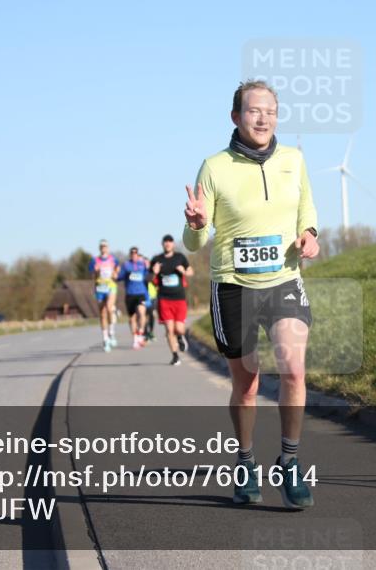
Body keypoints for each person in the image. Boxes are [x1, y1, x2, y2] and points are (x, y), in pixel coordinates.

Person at [183, 80, 320, 509]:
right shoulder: (214, 167)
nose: (263, 119)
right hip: (233, 286)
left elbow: (306, 209)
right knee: (247, 385)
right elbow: (194, 241)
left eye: (271, 111)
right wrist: (196, 223)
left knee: (293, 370)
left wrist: (310, 234)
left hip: (283, 280)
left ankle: (290, 462)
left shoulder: (294, 160)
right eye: (254, 110)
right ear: (235, 116)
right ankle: (245, 460)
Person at [151, 234, 194, 366]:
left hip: (179, 299)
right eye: (165, 241)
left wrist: (184, 271)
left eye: (170, 241)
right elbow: (148, 278)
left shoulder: (180, 257)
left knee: (179, 329)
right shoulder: (157, 260)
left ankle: (180, 337)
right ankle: (175, 356)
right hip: (164, 299)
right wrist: (154, 272)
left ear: (173, 244)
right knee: (169, 330)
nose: (167, 243)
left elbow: (191, 271)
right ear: (162, 244)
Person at [116, 246, 150, 349]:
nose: (134, 255)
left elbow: (149, 276)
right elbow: (119, 277)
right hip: (130, 294)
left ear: (137, 254)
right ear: (130, 254)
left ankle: (140, 332)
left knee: (141, 313)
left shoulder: (142, 264)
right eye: (132, 253)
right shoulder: (126, 265)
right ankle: (135, 338)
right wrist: (116, 273)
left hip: (141, 293)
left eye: (135, 253)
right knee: (132, 319)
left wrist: (148, 267)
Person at [89, 240, 119, 351]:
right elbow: (92, 276)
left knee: (109, 308)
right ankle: (105, 338)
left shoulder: (113, 259)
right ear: (99, 248)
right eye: (101, 246)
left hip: (110, 287)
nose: (103, 248)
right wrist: (96, 272)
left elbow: (117, 271)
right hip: (100, 288)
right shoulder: (94, 260)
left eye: (105, 246)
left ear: (108, 248)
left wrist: (115, 274)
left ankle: (111, 332)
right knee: (102, 313)